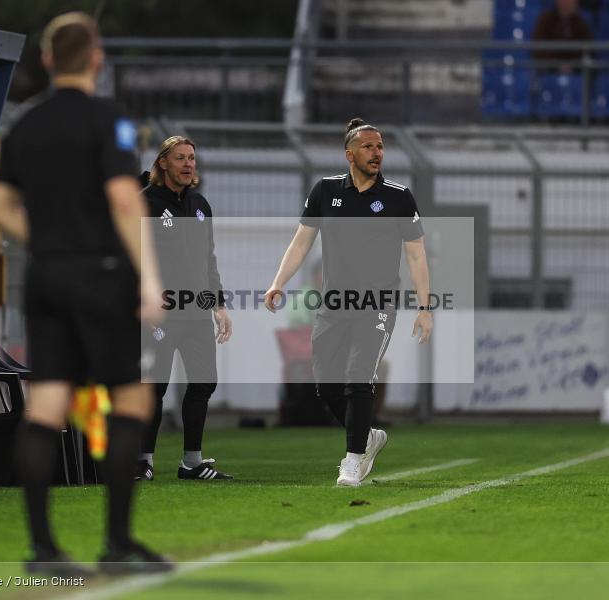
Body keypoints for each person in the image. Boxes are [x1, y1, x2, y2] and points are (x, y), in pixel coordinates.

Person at [0, 12, 170, 574]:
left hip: (44, 275)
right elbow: (123, 198)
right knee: (131, 399)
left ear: (45, 61)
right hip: (100, 274)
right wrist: (150, 277)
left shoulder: (25, 125)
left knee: (46, 405)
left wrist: (41, 240)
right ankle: (117, 543)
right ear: (97, 59)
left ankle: (43, 549)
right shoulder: (109, 120)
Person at [264, 118, 433, 487]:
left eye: (381, 147)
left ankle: (353, 459)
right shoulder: (325, 192)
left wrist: (425, 307)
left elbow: (417, 256)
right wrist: (278, 282)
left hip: (378, 303)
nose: (377, 153)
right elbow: (301, 242)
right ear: (350, 153)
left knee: (359, 378)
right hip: (334, 304)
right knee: (325, 385)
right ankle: (368, 436)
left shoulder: (398, 196)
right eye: (369, 147)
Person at [138, 136, 234, 482]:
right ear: (163, 163)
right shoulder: (144, 203)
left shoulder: (200, 204)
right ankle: (142, 460)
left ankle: (192, 462)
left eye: (192, 157)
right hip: (160, 313)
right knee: (154, 386)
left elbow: (208, 259)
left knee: (204, 382)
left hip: (196, 313)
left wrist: (219, 305)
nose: (188, 164)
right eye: (180, 158)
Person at [531, 0, 592, 69]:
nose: (574, 3)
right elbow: (539, 48)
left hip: (575, 70)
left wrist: (572, 64)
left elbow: (587, 50)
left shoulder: (581, 24)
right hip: (549, 70)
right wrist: (556, 64)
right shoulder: (545, 20)